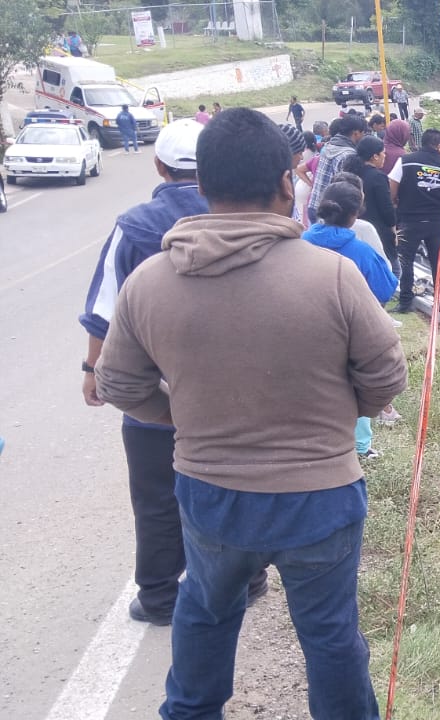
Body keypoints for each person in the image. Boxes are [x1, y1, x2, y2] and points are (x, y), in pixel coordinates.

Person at [95, 108, 407, 718]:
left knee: (206, 615)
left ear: (202, 186)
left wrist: (181, 417)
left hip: (210, 492)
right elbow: (386, 378)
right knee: (331, 637)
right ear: (288, 183)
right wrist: (337, 419)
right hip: (320, 495)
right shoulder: (334, 277)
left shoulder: (151, 282)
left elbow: (118, 384)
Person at [79, 118, 270, 627]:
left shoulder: (136, 224)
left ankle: (161, 596)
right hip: (233, 391)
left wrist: (92, 369)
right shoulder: (240, 216)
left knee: (157, 497)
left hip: (153, 395)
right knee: (237, 484)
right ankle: (248, 580)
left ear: (159, 165)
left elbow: (106, 307)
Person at [302, 179, 400, 457]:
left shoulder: (299, 243)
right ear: (355, 215)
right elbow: (386, 286)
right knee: (352, 386)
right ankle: (359, 447)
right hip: (348, 332)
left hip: (302, 329)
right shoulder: (361, 251)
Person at [389, 128, 440, 313]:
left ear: (422, 143)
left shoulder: (405, 161)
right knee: (437, 261)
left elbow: (392, 185)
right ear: (439, 146)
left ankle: (405, 302)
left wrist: (396, 201)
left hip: (408, 220)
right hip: (435, 223)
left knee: (406, 261)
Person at [347, 137, 399, 274]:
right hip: (377, 229)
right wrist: (393, 229)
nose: (385, 156)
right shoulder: (378, 177)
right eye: (383, 153)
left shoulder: (350, 172)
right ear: (375, 156)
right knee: (392, 270)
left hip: (353, 226)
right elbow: (386, 208)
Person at [304, 116, 366, 225]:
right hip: (330, 213)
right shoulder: (347, 155)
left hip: (314, 205)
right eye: (363, 133)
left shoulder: (328, 146)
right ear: (356, 133)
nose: (364, 136)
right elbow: (347, 188)